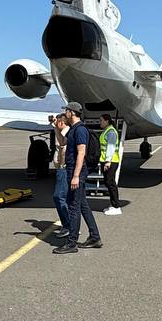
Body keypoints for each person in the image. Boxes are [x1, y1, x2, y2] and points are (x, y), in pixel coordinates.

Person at [53, 103, 102, 254]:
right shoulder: (73, 129)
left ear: (72, 112)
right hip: (72, 171)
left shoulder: (80, 130)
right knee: (82, 206)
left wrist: (75, 176)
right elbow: (62, 142)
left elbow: (81, 153)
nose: (64, 114)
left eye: (66, 111)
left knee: (74, 207)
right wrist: (56, 126)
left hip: (77, 173)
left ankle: (72, 242)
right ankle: (95, 237)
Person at [50, 113, 70, 238]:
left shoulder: (67, 132)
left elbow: (63, 148)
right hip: (61, 169)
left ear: (62, 122)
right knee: (63, 198)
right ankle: (68, 225)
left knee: (59, 197)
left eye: (57, 121)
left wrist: (62, 165)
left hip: (64, 169)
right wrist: (54, 126)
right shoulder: (61, 130)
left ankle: (69, 226)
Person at [98, 114, 123, 215]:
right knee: (108, 183)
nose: (100, 122)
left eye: (101, 120)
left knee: (111, 183)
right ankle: (113, 205)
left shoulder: (111, 132)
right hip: (107, 160)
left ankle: (116, 206)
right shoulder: (107, 130)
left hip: (111, 161)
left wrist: (108, 161)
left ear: (107, 121)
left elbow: (111, 147)